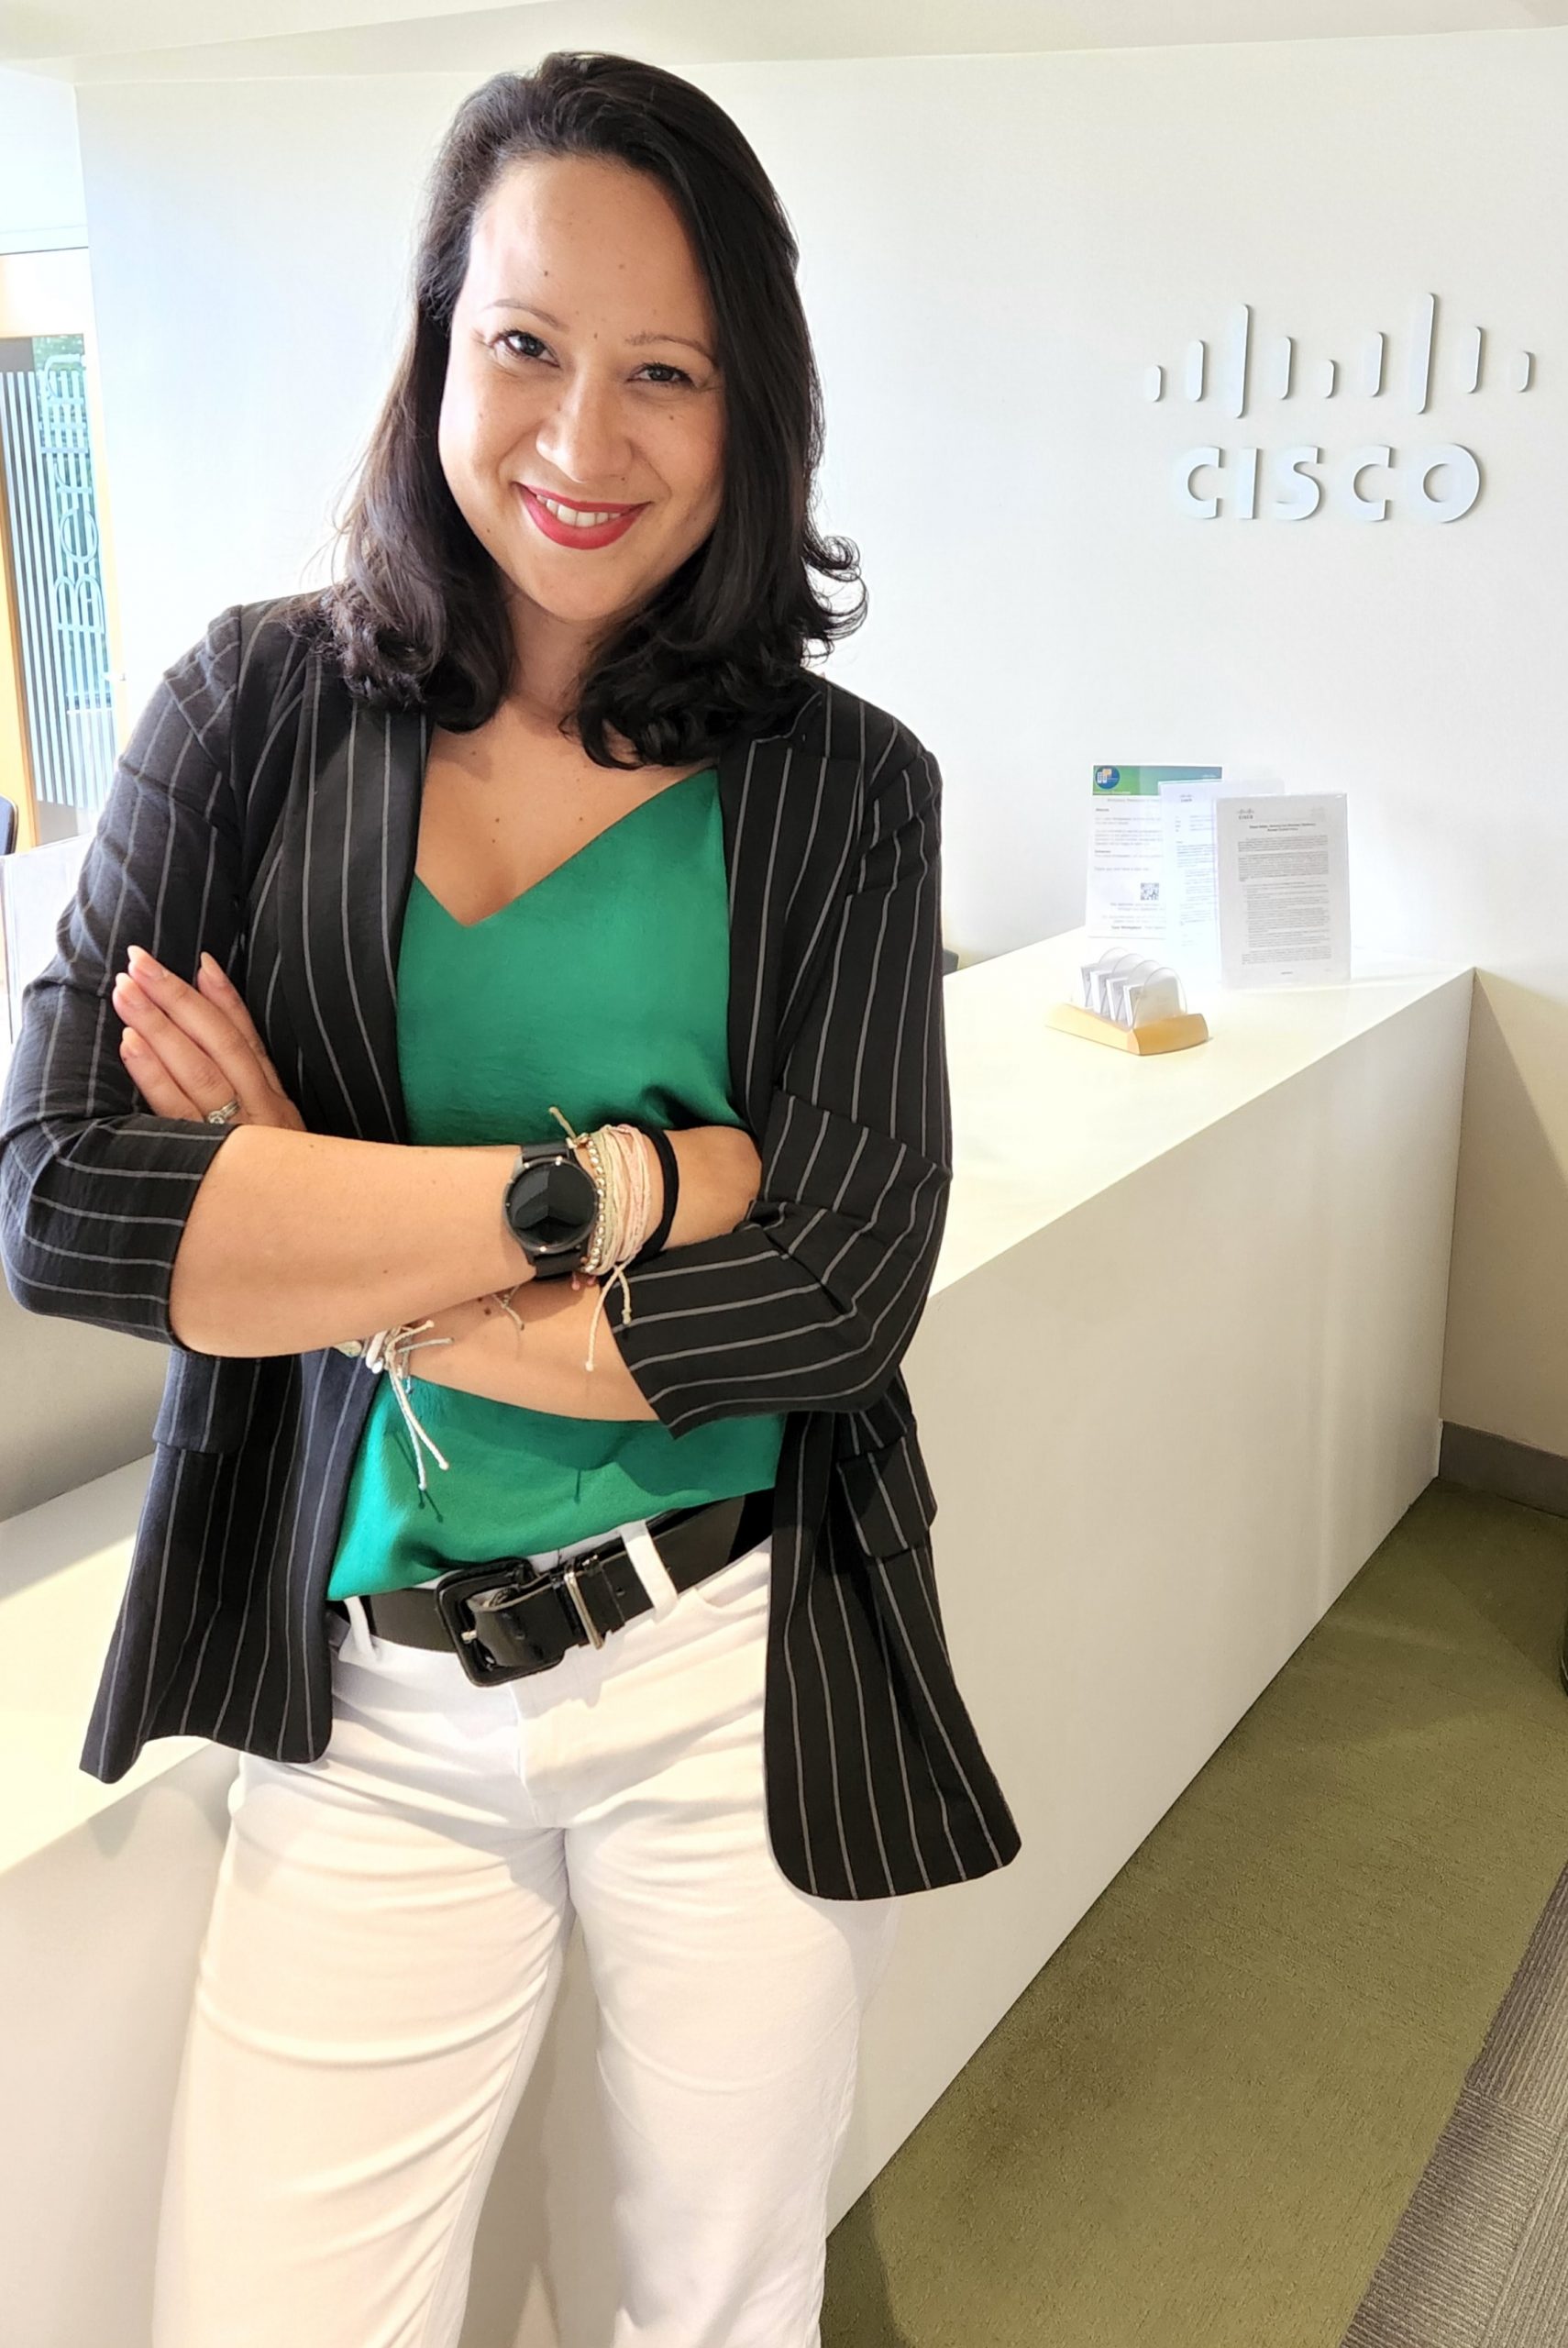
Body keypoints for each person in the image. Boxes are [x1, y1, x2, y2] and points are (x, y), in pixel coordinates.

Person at [0, 50, 1021, 2348]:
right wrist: (627, 1187)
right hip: (371, 1683)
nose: (582, 440)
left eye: (666, 371)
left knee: (711, 2300)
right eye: (525, 347)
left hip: (727, 1658)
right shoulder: (251, 713)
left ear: (751, 404)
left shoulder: (844, 786)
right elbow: (66, 1202)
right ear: (438, 342)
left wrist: (310, 1209)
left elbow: (840, 1292)